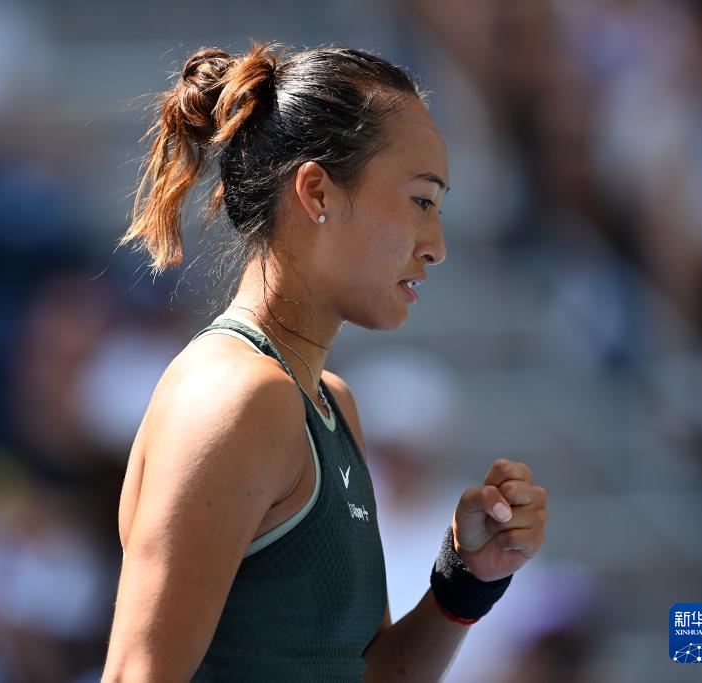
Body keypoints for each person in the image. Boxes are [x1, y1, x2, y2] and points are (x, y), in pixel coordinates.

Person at [102, 41, 549, 682]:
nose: (437, 246)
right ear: (316, 193)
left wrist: (465, 581)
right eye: (421, 201)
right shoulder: (239, 395)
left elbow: (365, 673)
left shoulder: (330, 402)